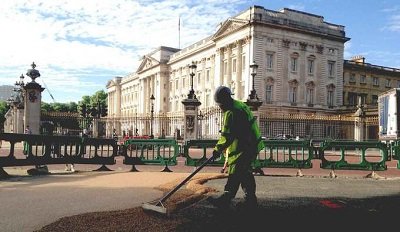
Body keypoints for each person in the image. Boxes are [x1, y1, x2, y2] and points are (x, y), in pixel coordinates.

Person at [208, 86, 265, 210]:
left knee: (235, 173)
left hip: (244, 148)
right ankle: (250, 201)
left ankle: (227, 199)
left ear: (225, 101)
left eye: (220, 104)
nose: (220, 107)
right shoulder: (240, 105)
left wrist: (217, 149)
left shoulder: (231, 112)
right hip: (251, 144)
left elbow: (227, 136)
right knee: (245, 174)